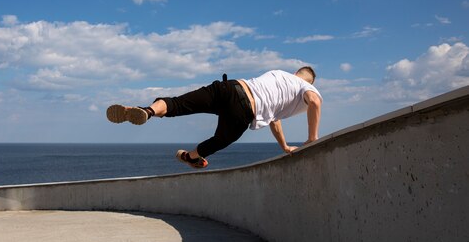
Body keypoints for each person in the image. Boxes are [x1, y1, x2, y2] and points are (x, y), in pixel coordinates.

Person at [106, 67, 322, 169]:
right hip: (244, 111)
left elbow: (274, 119)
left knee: (177, 103)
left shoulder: (280, 74)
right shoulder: (306, 87)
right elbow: (314, 101)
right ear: (309, 81)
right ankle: (191, 157)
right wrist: (312, 139)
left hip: (230, 87)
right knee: (220, 140)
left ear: (295, 72)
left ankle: (148, 111)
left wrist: (284, 144)